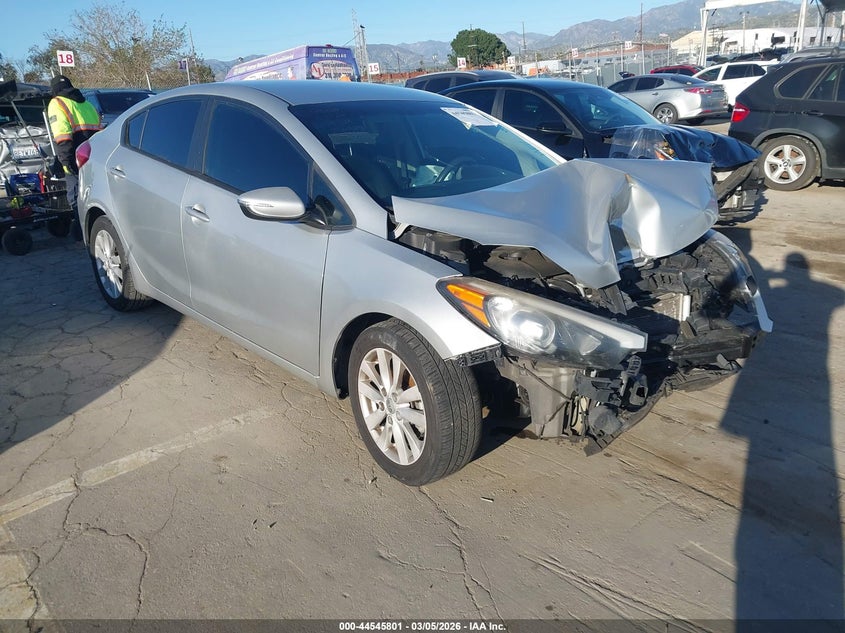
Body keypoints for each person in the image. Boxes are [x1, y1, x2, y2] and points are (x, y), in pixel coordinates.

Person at [47, 74, 101, 238]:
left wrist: (66, 162)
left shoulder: (57, 103)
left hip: (75, 156)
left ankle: (81, 233)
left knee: (76, 196)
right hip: (93, 154)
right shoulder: (87, 103)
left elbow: (63, 136)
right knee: (94, 193)